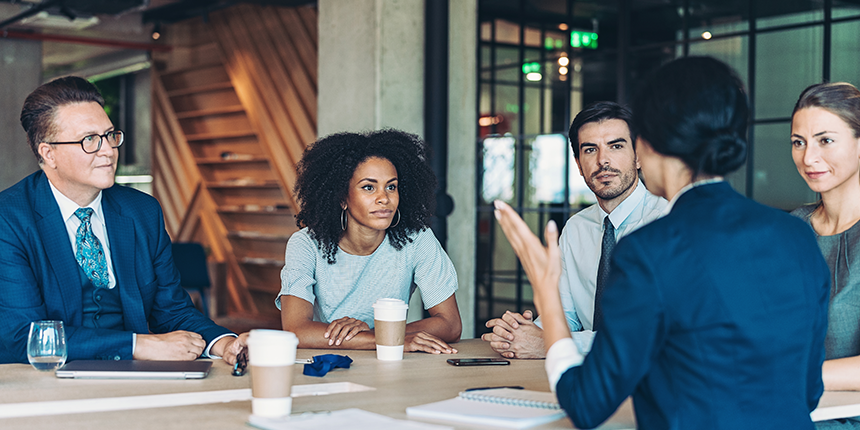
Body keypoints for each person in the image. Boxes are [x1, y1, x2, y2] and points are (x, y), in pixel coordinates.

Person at [493, 57, 829, 429]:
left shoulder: (649, 249)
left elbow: (587, 405)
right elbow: (808, 391)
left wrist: (546, 295)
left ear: (648, 146)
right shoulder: (795, 234)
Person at [0, 76, 246, 365]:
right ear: (49, 153)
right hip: (47, 383)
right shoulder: (10, 218)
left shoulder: (142, 211)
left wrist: (225, 344)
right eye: (89, 140)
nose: (108, 150)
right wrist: (137, 345)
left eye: (110, 135)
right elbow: (23, 336)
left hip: (135, 377)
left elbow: (173, 310)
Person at [481, 102, 666, 359]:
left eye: (616, 146)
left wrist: (550, 343)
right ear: (579, 165)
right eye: (590, 150)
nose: (603, 160)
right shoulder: (576, 228)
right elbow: (564, 315)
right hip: (585, 378)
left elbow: (650, 333)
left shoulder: (667, 224)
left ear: (638, 156)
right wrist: (521, 333)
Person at [277, 129, 461, 354]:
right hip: (329, 366)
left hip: (389, 364)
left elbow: (450, 323)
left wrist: (378, 336)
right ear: (342, 198)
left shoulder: (417, 240)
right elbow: (296, 330)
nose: (384, 198)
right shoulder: (306, 244)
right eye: (368, 187)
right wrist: (386, 339)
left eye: (391, 187)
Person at [790, 82, 860, 429]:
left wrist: (793, 373)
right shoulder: (789, 229)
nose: (808, 158)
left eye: (825, 140)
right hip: (784, 402)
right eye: (798, 142)